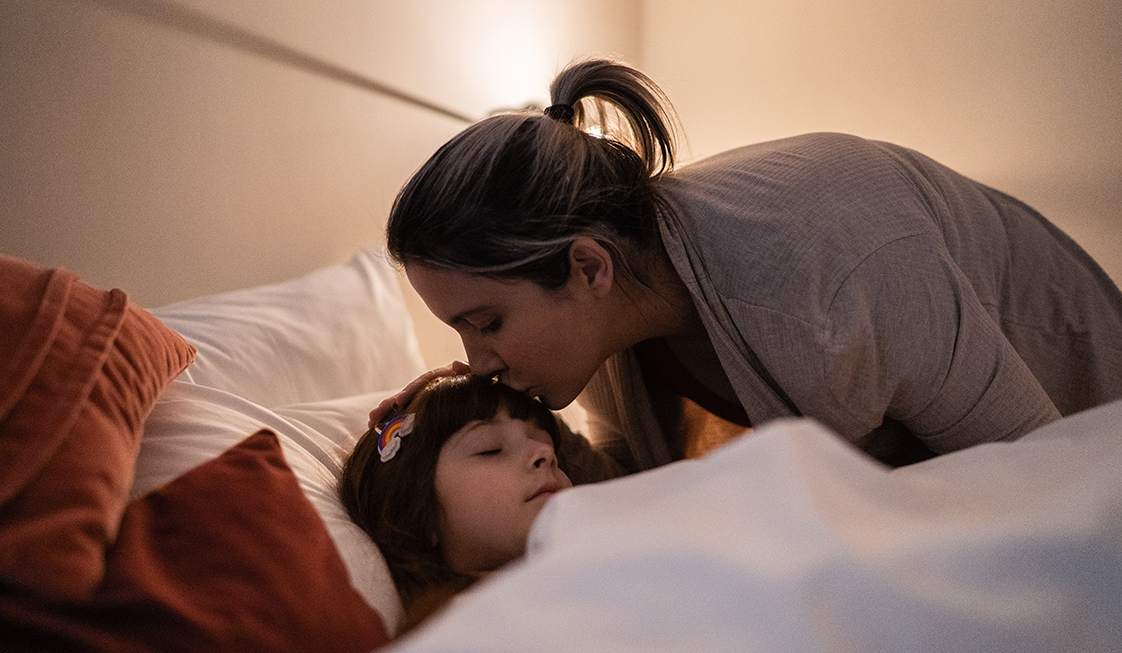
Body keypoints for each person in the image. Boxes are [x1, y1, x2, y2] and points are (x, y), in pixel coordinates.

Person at [379, 57, 1122, 470]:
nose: (477, 362)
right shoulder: (610, 319)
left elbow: (1037, 482)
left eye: (486, 323)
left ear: (588, 269)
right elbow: (632, 476)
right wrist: (454, 431)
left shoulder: (833, 273)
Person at [340, 373, 576, 633]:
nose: (546, 453)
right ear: (419, 515)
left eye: (548, 443)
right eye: (491, 449)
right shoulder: (467, 629)